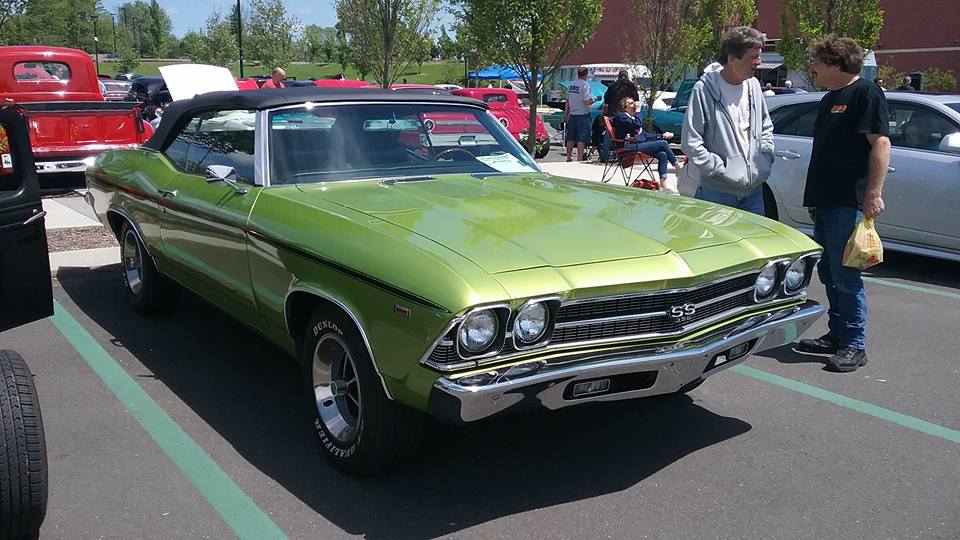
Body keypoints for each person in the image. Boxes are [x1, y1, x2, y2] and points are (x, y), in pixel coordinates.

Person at [796, 36, 891, 373]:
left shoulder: (865, 92)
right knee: (828, 271)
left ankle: (854, 343)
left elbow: (880, 142)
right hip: (825, 201)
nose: (813, 68)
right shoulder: (829, 99)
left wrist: (873, 193)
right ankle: (836, 335)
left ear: (837, 63)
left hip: (847, 202)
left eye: (818, 62)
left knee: (846, 273)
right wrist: (815, 202)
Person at [681, 26, 775, 215]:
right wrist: (718, 169)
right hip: (717, 193)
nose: (759, 62)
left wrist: (765, 158)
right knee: (714, 245)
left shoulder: (754, 86)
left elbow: (766, 127)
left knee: (752, 244)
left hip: (754, 192)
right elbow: (691, 141)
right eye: (753, 57)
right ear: (732, 58)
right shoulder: (705, 89)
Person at [613, 96, 682, 193]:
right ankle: (678, 167)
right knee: (663, 144)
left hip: (637, 145)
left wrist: (662, 135)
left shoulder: (632, 117)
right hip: (627, 147)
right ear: (624, 106)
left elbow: (644, 135)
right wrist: (638, 111)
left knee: (662, 154)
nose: (634, 105)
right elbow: (637, 124)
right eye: (631, 103)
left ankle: (663, 184)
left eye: (634, 102)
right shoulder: (621, 117)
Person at [564, 66, 602, 162]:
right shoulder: (585, 85)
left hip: (573, 113)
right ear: (586, 74)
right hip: (583, 114)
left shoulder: (571, 85)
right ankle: (579, 158)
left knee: (571, 137)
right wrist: (596, 99)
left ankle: (568, 157)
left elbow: (567, 101)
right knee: (581, 137)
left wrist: (566, 114)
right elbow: (587, 102)